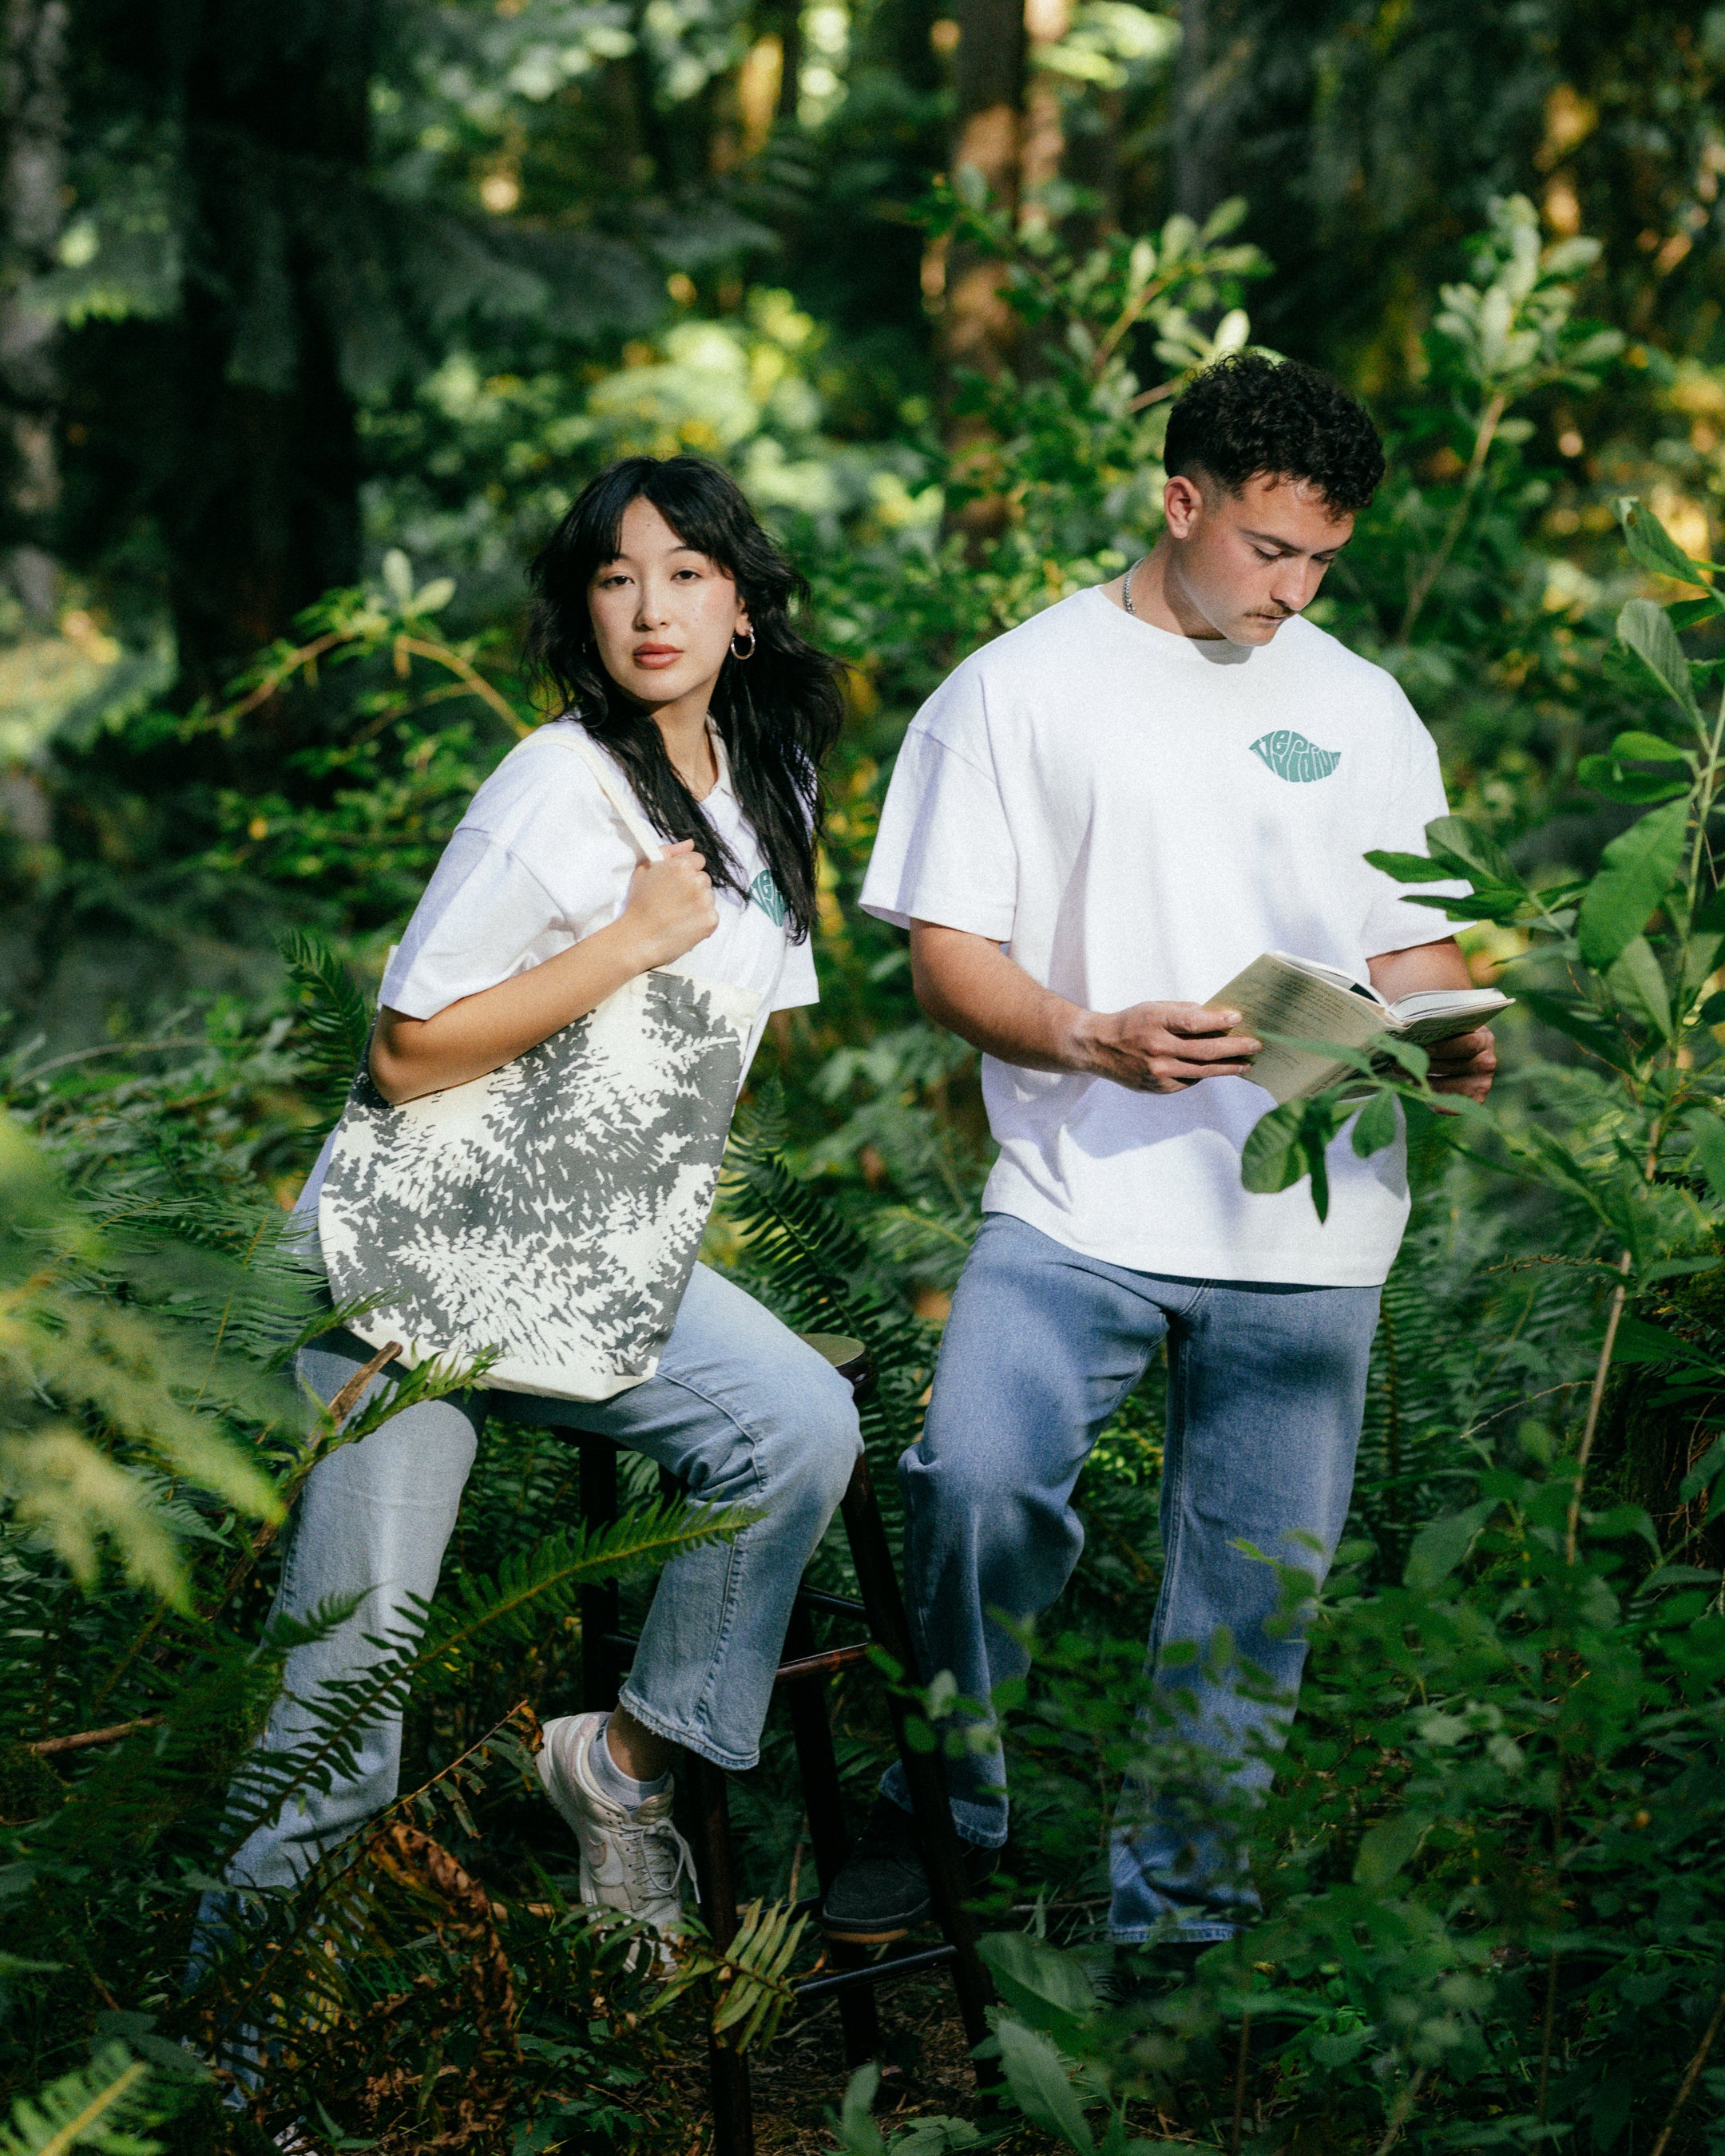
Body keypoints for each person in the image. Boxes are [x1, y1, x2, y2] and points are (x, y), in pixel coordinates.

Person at [820, 354, 1497, 1957]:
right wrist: (1085, 1035)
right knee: (975, 1481)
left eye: (1325, 559)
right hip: (1078, 1196)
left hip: (1312, 1225)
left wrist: (1450, 1032)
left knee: (1253, 1600)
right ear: (1180, 501)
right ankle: (945, 1816)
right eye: (1271, 549)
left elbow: (1413, 951)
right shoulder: (1016, 688)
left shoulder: (1361, 708)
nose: (1297, 588)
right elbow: (947, 957)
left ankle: (1174, 1939)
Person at [208, 455, 860, 1952]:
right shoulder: (553, 784)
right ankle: (235, 2077)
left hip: (591, 1257)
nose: (652, 608)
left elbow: (725, 1052)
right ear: (585, 606)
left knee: (798, 1430)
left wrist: (639, 1211)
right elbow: (404, 1049)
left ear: (745, 607)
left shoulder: (776, 787)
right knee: (341, 1720)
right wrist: (630, 938)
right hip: (413, 1266)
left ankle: (616, 1768)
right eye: (618, 576)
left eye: (688, 573)